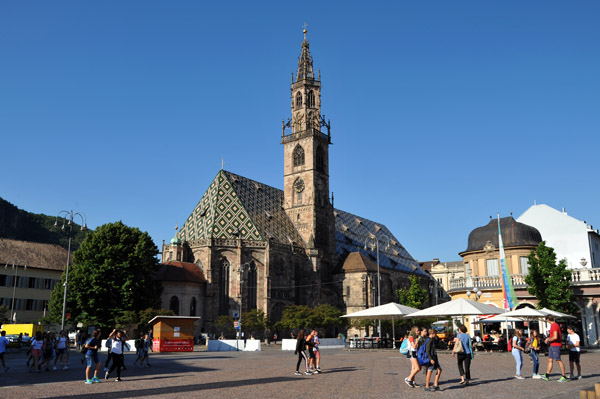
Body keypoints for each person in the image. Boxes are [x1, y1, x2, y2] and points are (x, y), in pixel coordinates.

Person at [542, 315, 567, 382]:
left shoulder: (555, 325)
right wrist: (549, 339)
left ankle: (563, 376)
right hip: (552, 345)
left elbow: (555, 337)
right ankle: (547, 375)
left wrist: (548, 340)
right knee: (550, 360)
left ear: (548, 319)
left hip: (556, 345)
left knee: (558, 360)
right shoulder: (553, 325)